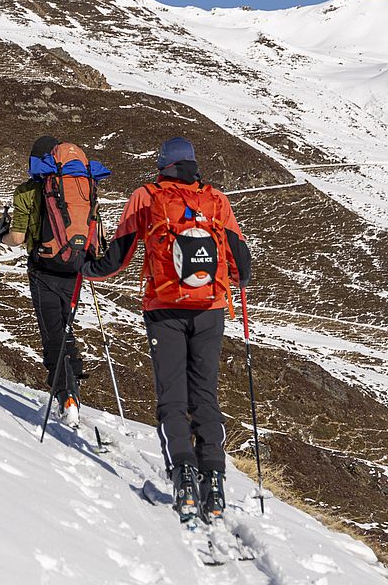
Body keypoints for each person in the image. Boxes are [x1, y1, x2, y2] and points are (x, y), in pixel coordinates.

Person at [83, 136, 251, 525]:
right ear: (193, 164)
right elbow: (243, 266)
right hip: (210, 309)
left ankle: (184, 479)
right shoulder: (217, 200)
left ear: (162, 164)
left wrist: (84, 268)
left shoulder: (145, 196)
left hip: (163, 309)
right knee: (205, 394)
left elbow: (117, 257)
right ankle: (214, 480)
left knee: (172, 397)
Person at [0, 136, 108, 428]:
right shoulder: (84, 187)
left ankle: (66, 397)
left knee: (52, 335)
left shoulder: (27, 192)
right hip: (76, 270)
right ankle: (74, 387)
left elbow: (17, 239)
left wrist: (0, 236)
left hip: (43, 270)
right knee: (66, 329)